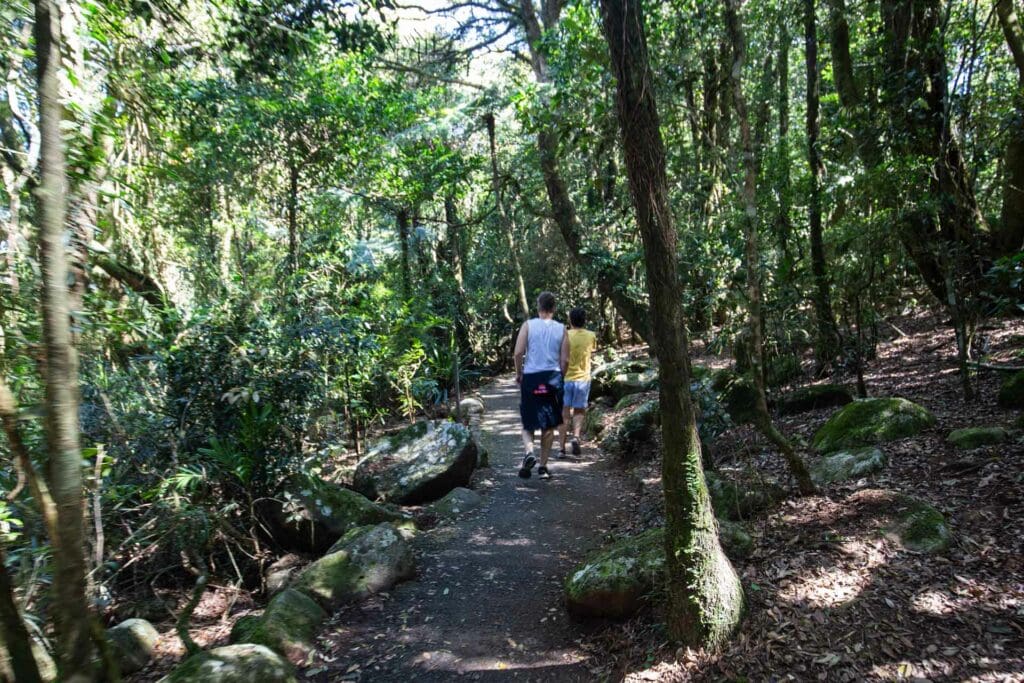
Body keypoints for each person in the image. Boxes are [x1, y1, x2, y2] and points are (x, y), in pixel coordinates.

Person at [513, 291, 569, 480]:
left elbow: (518, 352)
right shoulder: (561, 329)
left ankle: (530, 452)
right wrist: (560, 377)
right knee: (549, 425)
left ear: (538, 307)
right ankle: (543, 467)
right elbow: (565, 360)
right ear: (553, 308)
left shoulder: (528, 326)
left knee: (529, 421)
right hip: (552, 377)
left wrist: (519, 373)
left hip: (531, 378)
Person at [560, 307, 597, 457]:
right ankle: (575, 437)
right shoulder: (591, 335)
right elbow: (592, 351)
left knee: (564, 413)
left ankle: (561, 449)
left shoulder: (564, 335)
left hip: (565, 378)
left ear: (570, 320)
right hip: (583, 378)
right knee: (579, 410)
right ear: (585, 320)